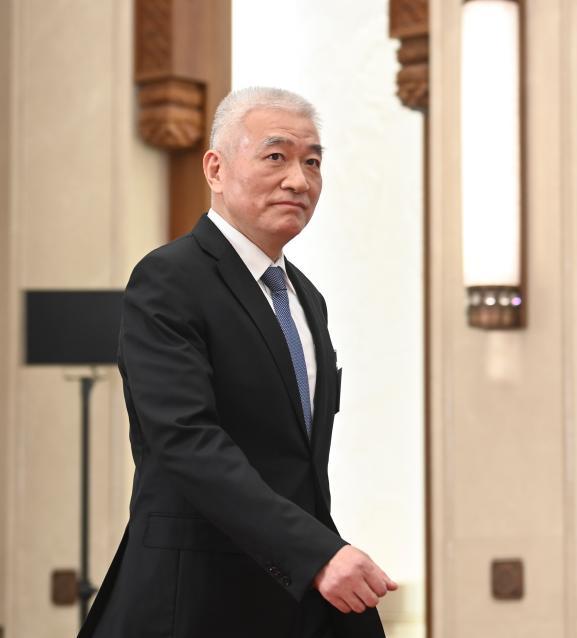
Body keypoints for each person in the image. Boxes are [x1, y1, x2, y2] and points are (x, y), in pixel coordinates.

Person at [78, 86, 396, 638]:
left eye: (312, 162)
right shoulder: (169, 279)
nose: (298, 180)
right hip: (198, 595)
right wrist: (315, 552)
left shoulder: (306, 297)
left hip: (296, 594)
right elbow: (187, 440)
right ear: (216, 169)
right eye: (276, 156)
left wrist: (316, 555)